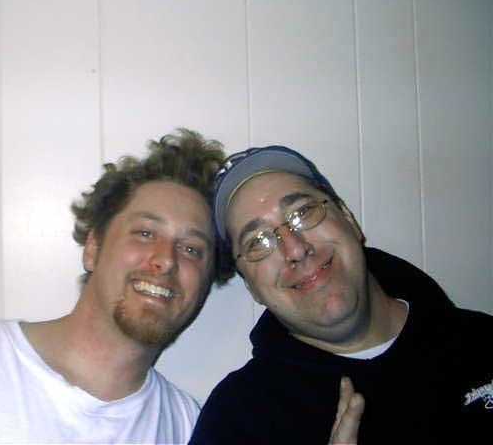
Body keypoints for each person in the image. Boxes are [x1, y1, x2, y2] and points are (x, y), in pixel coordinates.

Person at [0, 129, 230, 443]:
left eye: (192, 249)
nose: (167, 259)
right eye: (145, 233)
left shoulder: (187, 427)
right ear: (93, 248)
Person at [190, 145, 493, 444]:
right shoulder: (236, 421)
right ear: (250, 286)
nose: (295, 249)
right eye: (258, 241)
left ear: (348, 218)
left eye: (302, 212)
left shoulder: (482, 343)